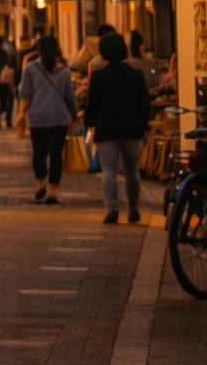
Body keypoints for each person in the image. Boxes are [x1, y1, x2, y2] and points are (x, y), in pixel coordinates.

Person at [86, 33, 151, 224]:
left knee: (109, 170)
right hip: (132, 129)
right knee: (132, 172)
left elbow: (92, 105)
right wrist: (145, 125)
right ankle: (133, 210)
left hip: (106, 128)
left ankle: (112, 210)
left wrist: (90, 122)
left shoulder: (98, 76)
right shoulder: (136, 74)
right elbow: (144, 104)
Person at [18, 35, 77, 204]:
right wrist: (74, 116)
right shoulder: (64, 71)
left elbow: (24, 93)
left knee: (39, 152)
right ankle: (53, 190)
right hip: (60, 117)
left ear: (38, 50)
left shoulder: (30, 68)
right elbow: (70, 98)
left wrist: (21, 114)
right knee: (56, 154)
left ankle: (39, 184)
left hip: (37, 117)